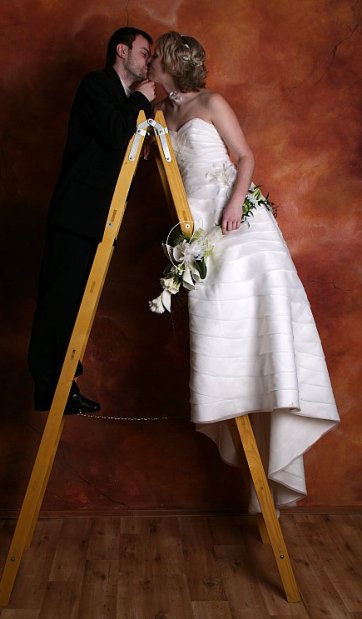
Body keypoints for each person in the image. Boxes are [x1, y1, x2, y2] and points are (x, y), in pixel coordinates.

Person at [149, 32, 339, 509]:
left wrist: (235, 203)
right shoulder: (158, 114)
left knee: (261, 315)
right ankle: (234, 409)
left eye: (155, 57)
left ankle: (280, 418)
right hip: (196, 229)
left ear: (171, 63)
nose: (150, 61)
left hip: (236, 220)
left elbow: (246, 156)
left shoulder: (211, 102)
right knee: (223, 327)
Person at [28, 27, 155, 414]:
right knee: (60, 301)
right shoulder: (96, 85)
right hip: (76, 213)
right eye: (144, 52)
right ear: (122, 51)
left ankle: (65, 385)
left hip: (101, 217)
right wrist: (142, 100)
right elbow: (116, 134)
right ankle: (49, 388)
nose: (149, 61)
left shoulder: (127, 100)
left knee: (78, 306)